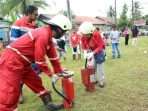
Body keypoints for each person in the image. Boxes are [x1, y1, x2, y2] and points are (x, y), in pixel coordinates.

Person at [0, 14, 72, 111]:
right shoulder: (43, 34)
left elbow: (53, 58)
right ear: (59, 29)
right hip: (11, 61)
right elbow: (39, 60)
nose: (64, 34)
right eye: (64, 32)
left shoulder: (48, 36)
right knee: (10, 92)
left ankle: (49, 104)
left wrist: (59, 71)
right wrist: (51, 74)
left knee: (36, 82)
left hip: (23, 62)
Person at [10, 5, 39, 104]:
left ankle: (41, 91)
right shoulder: (18, 24)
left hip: (31, 56)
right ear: (29, 14)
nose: (36, 16)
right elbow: (13, 40)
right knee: (20, 75)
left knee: (36, 71)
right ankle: (19, 94)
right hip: (19, 56)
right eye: (35, 14)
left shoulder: (34, 26)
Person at [79, 22, 106, 87]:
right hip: (90, 52)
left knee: (100, 67)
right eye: (84, 35)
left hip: (99, 52)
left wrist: (93, 53)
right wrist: (85, 52)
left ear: (91, 32)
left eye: (86, 35)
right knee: (91, 67)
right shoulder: (83, 36)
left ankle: (101, 81)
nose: (85, 36)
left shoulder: (97, 34)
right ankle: (93, 80)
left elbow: (100, 46)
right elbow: (83, 45)